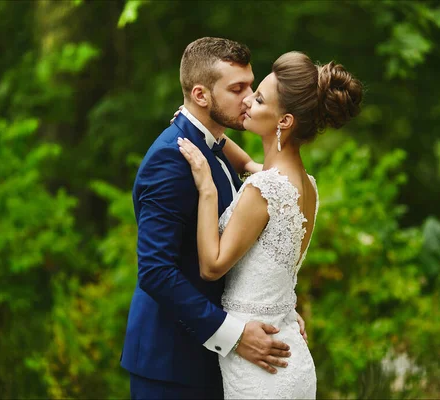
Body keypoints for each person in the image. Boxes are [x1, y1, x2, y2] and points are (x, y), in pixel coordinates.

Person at [121, 37, 308, 400]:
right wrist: (234, 334)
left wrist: (280, 307)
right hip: (171, 366)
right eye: (237, 88)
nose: (249, 97)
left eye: (251, 85)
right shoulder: (171, 160)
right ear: (201, 95)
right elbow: (155, 271)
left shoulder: (216, 146)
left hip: (217, 364)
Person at [177, 51, 363, 398]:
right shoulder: (304, 184)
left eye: (259, 99)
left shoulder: (265, 189)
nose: (247, 101)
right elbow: (248, 162)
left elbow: (213, 266)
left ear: (284, 121)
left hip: (260, 367)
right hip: (288, 354)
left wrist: (206, 190)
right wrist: (197, 127)